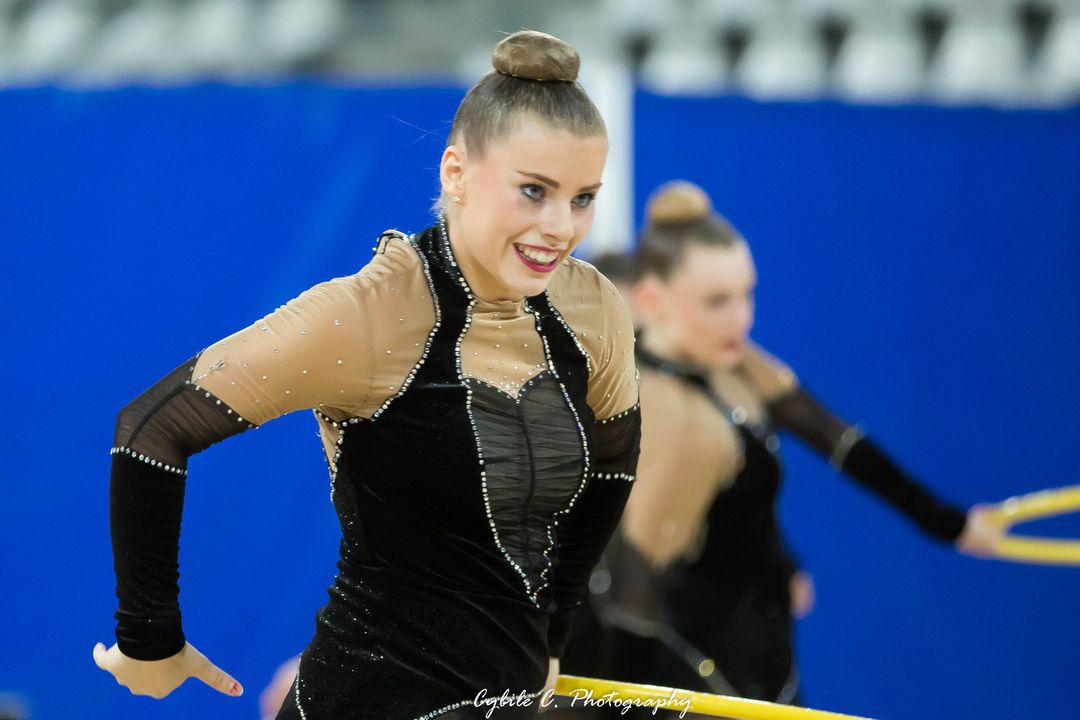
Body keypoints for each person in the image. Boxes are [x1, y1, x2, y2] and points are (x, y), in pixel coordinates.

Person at [92, 30, 641, 720]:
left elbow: (613, 468)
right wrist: (149, 639)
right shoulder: (371, 313)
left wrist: (552, 634)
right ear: (456, 173)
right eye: (533, 191)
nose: (561, 226)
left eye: (583, 198)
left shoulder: (592, 307)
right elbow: (150, 428)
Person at [563, 181, 1002, 708]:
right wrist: (620, 706)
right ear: (654, 301)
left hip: (751, 649)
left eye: (747, 294)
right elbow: (635, 596)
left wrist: (948, 523)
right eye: (717, 302)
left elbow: (833, 440)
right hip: (699, 673)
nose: (742, 319)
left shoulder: (724, 357)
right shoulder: (678, 420)